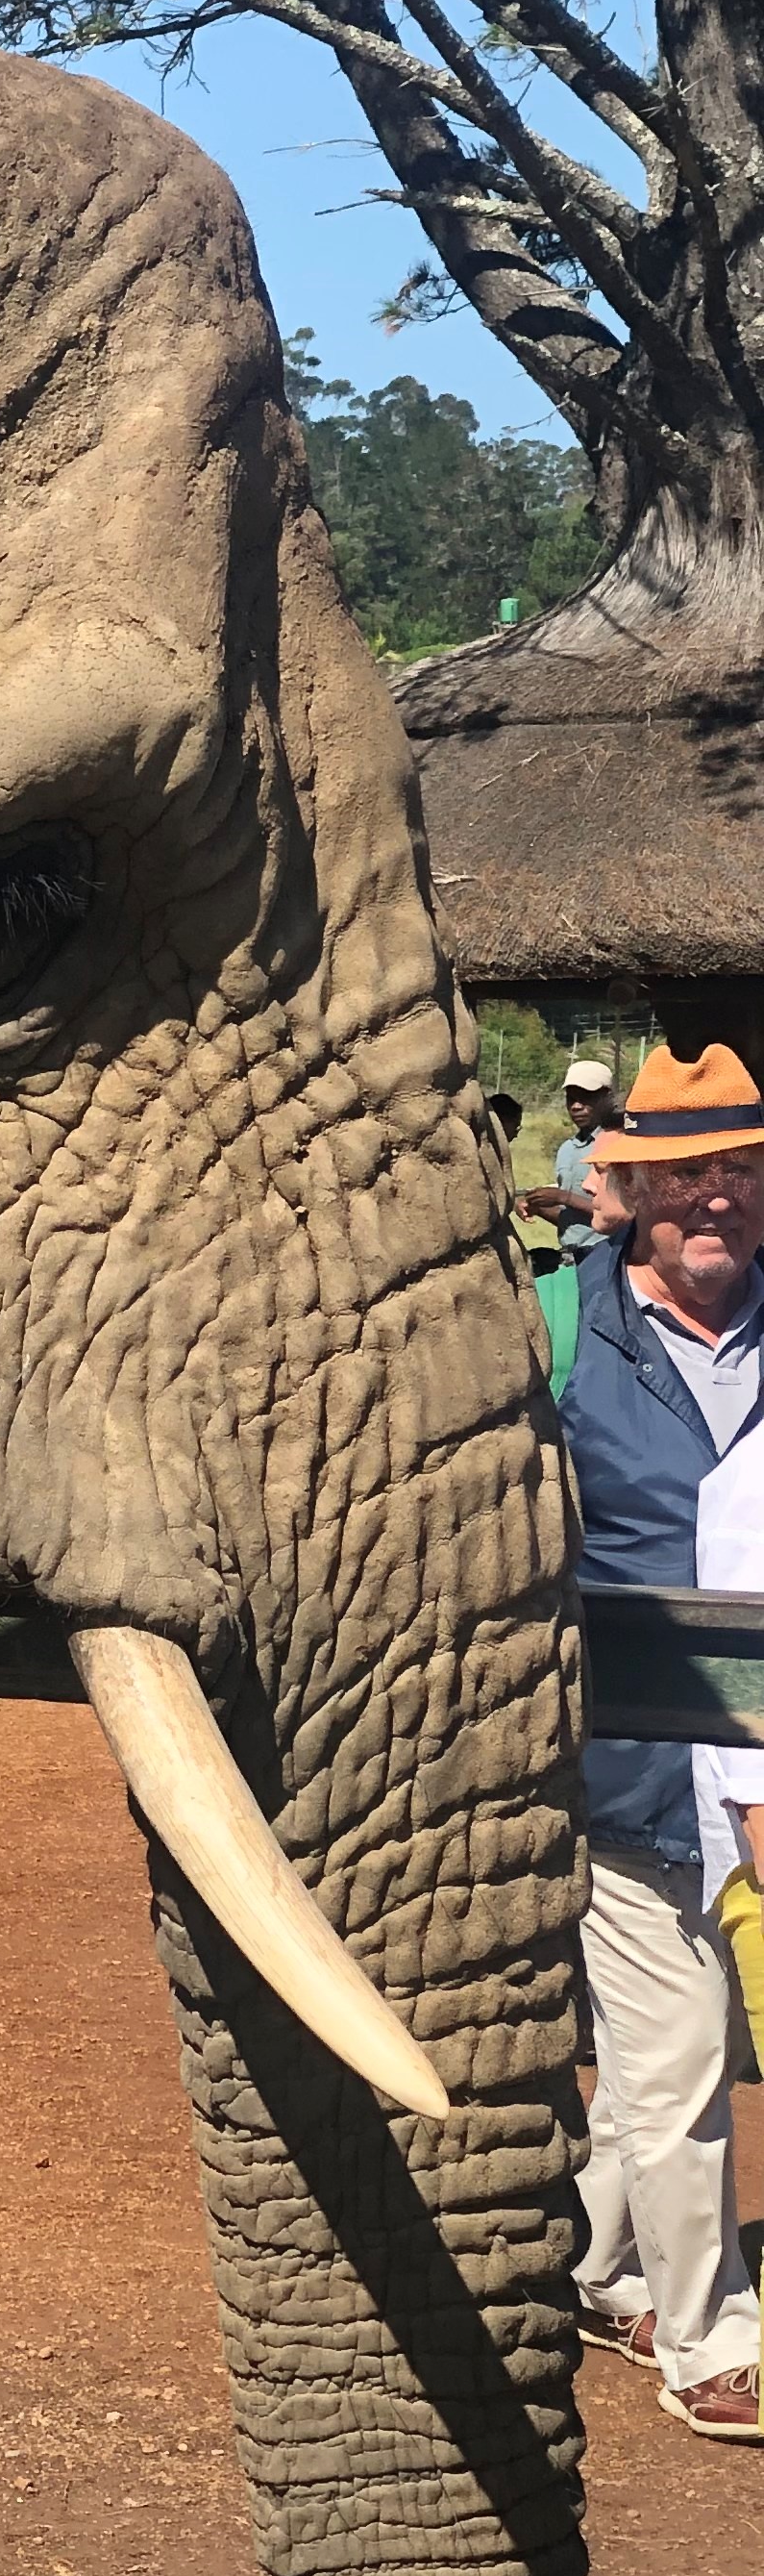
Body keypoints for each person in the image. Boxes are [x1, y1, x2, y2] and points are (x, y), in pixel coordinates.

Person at [560, 1045, 764, 2442]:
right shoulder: (554, 1329)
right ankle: (710, 2341)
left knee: (669, 2060)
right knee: (685, 2056)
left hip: (760, 1765)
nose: (714, 1199)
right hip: (626, 1769)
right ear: (623, 1189)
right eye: (682, 1173)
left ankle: (594, 2263)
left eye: (740, 1170)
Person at [520, 1059, 623, 1256]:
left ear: (607, 1097)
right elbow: (572, 1221)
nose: (576, 1106)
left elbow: (621, 1213)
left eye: (585, 1098)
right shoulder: (567, 1150)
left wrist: (563, 1197)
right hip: (571, 1254)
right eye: (571, 1098)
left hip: (609, 1254)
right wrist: (538, 1206)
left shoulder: (617, 1144)